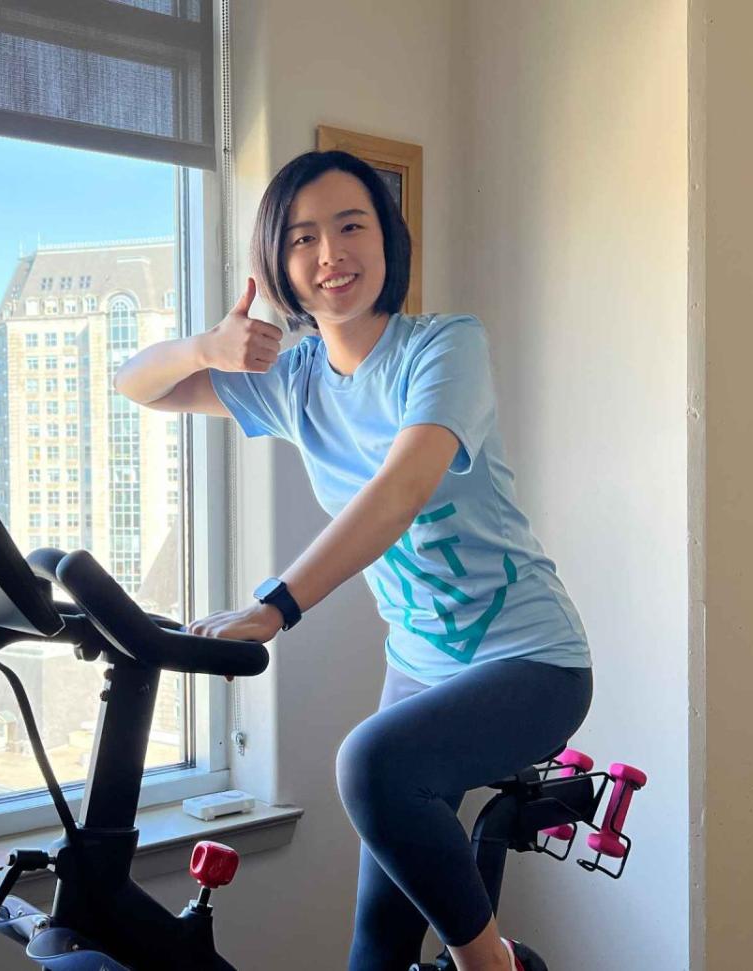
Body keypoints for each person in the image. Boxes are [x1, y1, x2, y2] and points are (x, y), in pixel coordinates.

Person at [112, 150, 592, 971]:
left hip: (532, 658)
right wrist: (207, 346)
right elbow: (137, 386)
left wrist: (276, 604)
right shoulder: (293, 378)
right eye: (303, 238)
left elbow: (402, 487)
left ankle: (492, 964)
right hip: (417, 663)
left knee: (369, 763)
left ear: (386, 239)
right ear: (281, 264)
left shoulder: (444, 346)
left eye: (349, 226)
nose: (329, 253)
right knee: (377, 941)